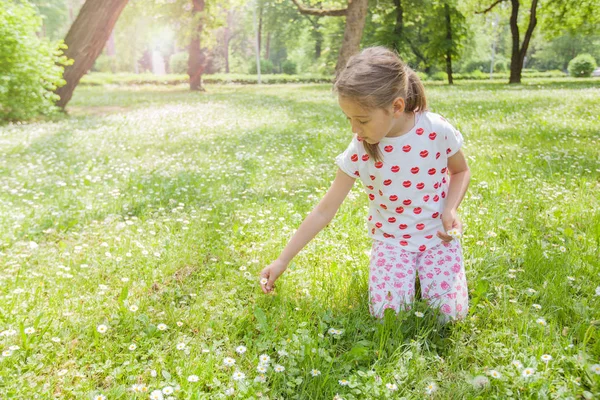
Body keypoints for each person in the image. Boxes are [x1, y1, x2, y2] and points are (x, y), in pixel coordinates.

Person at [259, 46, 471, 322]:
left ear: (396, 106)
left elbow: (460, 171)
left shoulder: (435, 129)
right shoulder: (360, 147)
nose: (354, 129)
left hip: (437, 238)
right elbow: (324, 210)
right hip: (392, 241)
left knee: (449, 316)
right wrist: (282, 260)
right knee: (387, 317)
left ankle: (426, 275)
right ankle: (408, 276)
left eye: (361, 120)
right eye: (349, 119)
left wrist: (450, 209)